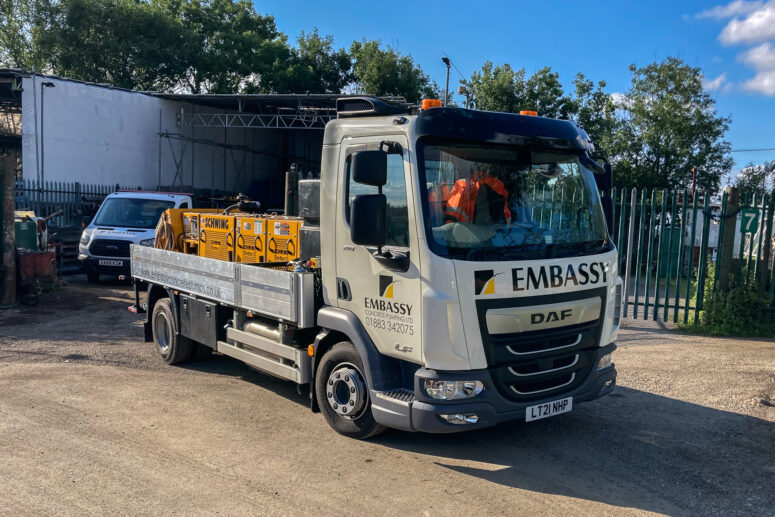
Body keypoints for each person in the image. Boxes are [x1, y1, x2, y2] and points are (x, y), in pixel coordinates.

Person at [444, 169, 511, 224]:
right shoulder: (498, 185)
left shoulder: (461, 184)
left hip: (466, 235)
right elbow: (508, 219)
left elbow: (451, 217)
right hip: (494, 234)